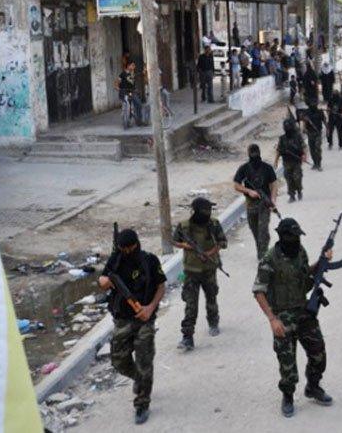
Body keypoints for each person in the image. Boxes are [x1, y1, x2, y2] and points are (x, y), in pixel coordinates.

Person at [252, 218, 334, 418]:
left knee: (318, 353)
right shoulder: (270, 259)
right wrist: (272, 319)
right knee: (287, 362)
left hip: (304, 311)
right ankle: (288, 395)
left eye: (298, 236)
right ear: (283, 236)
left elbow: (305, 276)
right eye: (294, 236)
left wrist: (322, 261)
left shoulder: (300, 251)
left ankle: (313, 386)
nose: (297, 240)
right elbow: (258, 291)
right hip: (282, 316)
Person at [98, 228, 166, 424]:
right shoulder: (116, 260)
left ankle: (142, 404)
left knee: (145, 362)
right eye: (123, 248)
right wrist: (104, 281)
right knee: (118, 360)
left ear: (137, 244)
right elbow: (103, 280)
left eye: (130, 248)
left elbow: (161, 286)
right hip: (122, 320)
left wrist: (150, 308)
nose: (127, 252)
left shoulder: (149, 260)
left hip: (144, 318)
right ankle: (140, 378)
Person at [172, 198, 227, 351]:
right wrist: (187, 246)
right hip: (190, 271)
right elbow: (175, 241)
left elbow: (223, 242)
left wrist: (209, 253)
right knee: (191, 304)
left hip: (209, 268)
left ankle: (213, 321)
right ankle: (187, 336)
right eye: (205, 211)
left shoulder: (214, 224)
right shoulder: (184, 226)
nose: (208, 214)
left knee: (211, 297)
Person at [234, 144, 279, 260]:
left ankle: (263, 255)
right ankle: (261, 249)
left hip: (264, 203)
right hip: (251, 204)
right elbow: (236, 185)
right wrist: (248, 191)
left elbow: (274, 184)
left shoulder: (267, 168)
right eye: (252, 153)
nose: (254, 156)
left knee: (263, 229)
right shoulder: (244, 168)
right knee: (255, 230)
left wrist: (273, 199)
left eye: (256, 153)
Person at [299, 100, 326, 171]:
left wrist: (327, 128)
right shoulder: (306, 112)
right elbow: (303, 120)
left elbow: (324, 120)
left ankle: (319, 164)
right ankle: (315, 163)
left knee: (317, 148)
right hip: (310, 133)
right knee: (312, 149)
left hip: (318, 133)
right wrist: (304, 128)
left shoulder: (320, 112)